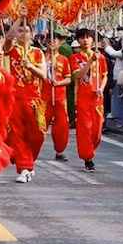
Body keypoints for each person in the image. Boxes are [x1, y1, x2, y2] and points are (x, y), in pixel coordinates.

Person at [3, 10, 47, 183]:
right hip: (14, 98)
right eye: (20, 31)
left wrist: (30, 67)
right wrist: (20, 18)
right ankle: (24, 168)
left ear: (32, 34)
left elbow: (43, 75)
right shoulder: (11, 49)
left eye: (26, 31)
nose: (22, 33)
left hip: (34, 100)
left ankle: (29, 162)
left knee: (37, 135)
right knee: (17, 134)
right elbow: (8, 38)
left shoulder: (38, 52)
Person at [71, 28, 108, 172]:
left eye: (88, 37)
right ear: (78, 41)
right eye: (82, 38)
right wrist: (90, 61)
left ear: (93, 40)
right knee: (85, 129)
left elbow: (105, 75)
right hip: (83, 99)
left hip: (97, 99)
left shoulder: (101, 57)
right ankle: (87, 157)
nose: (85, 40)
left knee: (96, 132)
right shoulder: (75, 58)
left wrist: (101, 88)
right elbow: (79, 75)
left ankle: (90, 150)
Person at [42, 31, 71, 161]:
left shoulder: (63, 59)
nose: (52, 43)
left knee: (61, 126)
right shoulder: (40, 56)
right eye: (49, 41)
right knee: (40, 125)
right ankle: (32, 149)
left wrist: (58, 83)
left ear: (59, 43)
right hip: (43, 97)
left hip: (59, 97)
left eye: (54, 41)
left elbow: (68, 79)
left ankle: (60, 151)